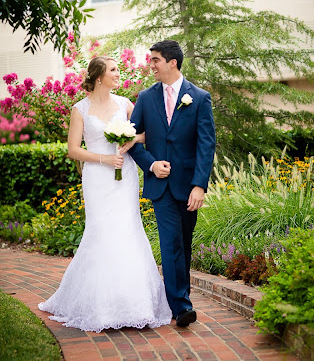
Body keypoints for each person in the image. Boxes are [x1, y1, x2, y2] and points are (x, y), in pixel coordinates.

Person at [39, 56, 172, 332]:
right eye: (113, 70)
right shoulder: (80, 109)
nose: (118, 73)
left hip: (124, 176)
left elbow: (149, 133)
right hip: (98, 177)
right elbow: (73, 150)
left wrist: (131, 138)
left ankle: (135, 304)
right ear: (99, 77)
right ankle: (100, 305)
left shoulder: (125, 104)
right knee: (101, 232)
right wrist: (104, 159)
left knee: (127, 230)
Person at [127, 40, 216, 328]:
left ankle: (181, 299)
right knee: (170, 243)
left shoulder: (199, 98)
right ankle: (181, 307)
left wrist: (199, 186)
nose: (150, 65)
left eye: (155, 60)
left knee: (184, 245)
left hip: (188, 186)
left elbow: (206, 144)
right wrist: (151, 163)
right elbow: (130, 139)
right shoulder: (145, 98)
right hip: (160, 186)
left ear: (172, 63)